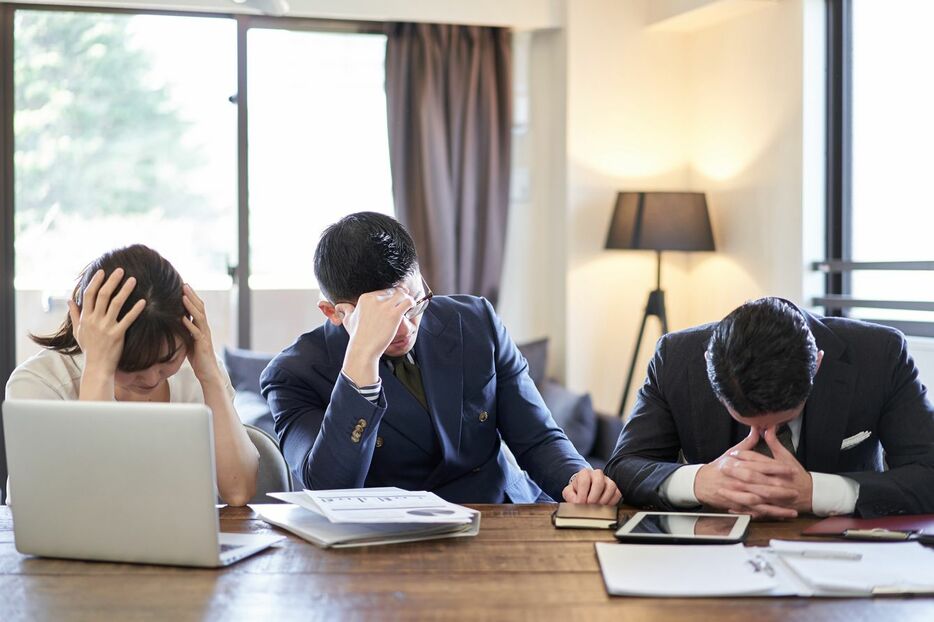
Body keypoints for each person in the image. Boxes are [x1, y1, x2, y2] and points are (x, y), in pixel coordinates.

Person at [261, 212, 619, 505]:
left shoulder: (475, 320)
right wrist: (361, 361)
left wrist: (577, 478)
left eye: (413, 304)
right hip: (389, 544)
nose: (404, 327)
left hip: (504, 511)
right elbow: (328, 490)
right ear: (333, 312)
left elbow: (537, 437)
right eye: (385, 315)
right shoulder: (294, 373)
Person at [605, 296, 934, 519]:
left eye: (783, 419)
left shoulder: (881, 355)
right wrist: (698, 481)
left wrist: (817, 492)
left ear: (817, 365)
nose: (763, 434)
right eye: (745, 418)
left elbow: (928, 474)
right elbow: (624, 466)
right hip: (713, 557)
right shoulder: (675, 357)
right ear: (709, 365)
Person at [5, 244, 259, 506]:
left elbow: (239, 490)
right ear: (88, 332)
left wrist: (211, 378)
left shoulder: (198, 373)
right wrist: (98, 370)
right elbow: (85, 500)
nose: (151, 379)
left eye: (167, 360)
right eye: (130, 367)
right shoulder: (39, 384)